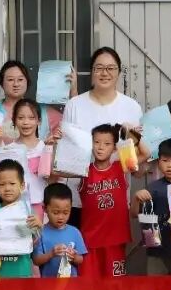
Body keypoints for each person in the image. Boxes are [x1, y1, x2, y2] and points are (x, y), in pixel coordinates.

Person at [60, 47, 145, 226]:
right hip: (78, 199)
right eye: (99, 68)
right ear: (92, 71)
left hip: (114, 198)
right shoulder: (74, 105)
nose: (104, 73)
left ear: (119, 72)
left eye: (110, 68)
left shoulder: (132, 107)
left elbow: (136, 162)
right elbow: (67, 154)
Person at [79, 124, 132, 278]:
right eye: (96, 142)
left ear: (115, 148)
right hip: (90, 239)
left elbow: (145, 153)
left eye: (107, 143)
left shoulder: (121, 167)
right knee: (89, 284)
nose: (101, 147)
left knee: (115, 285)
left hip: (115, 239)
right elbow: (56, 169)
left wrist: (131, 132)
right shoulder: (83, 170)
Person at [0, 160, 42, 278]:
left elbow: (35, 241)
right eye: (2, 184)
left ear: (22, 185)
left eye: (12, 183)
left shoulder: (28, 212)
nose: (7, 188)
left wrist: (39, 227)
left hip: (22, 273)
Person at [132, 138, 171, 275]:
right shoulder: (153, 188)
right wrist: (136, 198)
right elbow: (134, 214)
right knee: (156, 285)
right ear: (158, 162)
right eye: (165, 160)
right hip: (157, 251)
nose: (170, 165)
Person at [0, 60, 70, 142]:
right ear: (1, 84)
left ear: (27, 82)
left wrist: (72, 90)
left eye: (20, 79)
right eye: (10, 80)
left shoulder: (43, 111)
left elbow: (72, 124)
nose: (16, 84)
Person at [34, 183, 87, 277]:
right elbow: (36, 260)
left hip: (70, 283)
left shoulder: (75, 232)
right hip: (47, 283)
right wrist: (51, 254)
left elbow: (81, 259)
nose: (61, 217)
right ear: (45, 208)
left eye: (65, 212)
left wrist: (73, 257)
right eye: (56, 212)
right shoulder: (41, 232)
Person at [10, 99, 48, 219]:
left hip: (41, 204)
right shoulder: (8, 150)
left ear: (39, 121)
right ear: (14, 121)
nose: (26, 122)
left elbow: (54, 179)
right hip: (15, 206)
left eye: (31, 118)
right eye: (21, 118)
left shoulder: (45, 147)